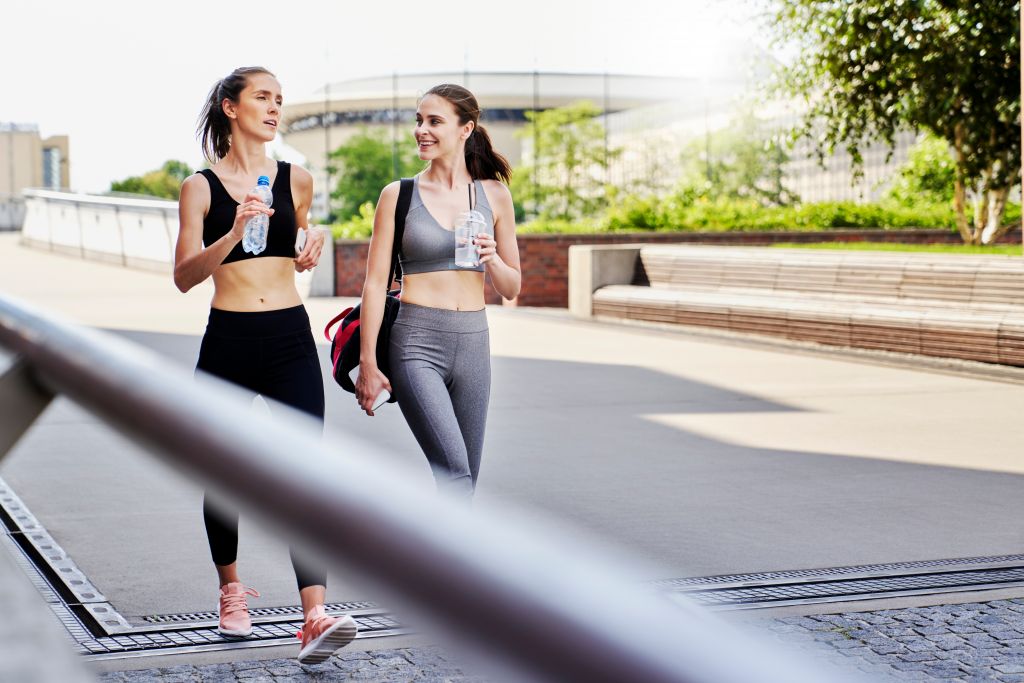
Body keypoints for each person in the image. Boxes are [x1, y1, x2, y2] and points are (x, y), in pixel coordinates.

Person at [174, 66, 355, 664]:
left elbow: (297, 246)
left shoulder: (297, 179)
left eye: (280, 100)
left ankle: (314, 613)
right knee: (222, 471)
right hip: (227, 337)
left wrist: (311, 245)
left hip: (288, 337)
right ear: (231, 107)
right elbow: (184, 277)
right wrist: (232, 231)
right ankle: (231, 591)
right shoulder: (199, 187)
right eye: (262, 98)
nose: (275, 108)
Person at [355, 84, 521, 498]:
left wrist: (493, 258)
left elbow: (512, 285)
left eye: (434, 121)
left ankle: (435, 562)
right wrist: (369, 362)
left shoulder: (495, 195)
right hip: (416, 342)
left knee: (466, 480)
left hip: (474, 343)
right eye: (419, 120)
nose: (421, 131)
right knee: (455, 474)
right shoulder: (398, 195)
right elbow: (375, 283)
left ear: (466, 129)